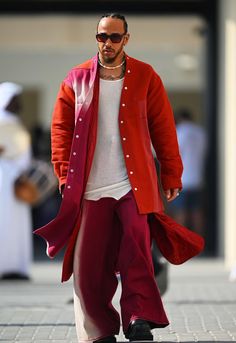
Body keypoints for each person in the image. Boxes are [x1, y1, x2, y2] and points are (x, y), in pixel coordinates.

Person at [35, 14, 204, 342]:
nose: (107, 43)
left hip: (133, 184)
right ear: (96, 38)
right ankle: (101, 328)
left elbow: (163, 128)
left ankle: (139, 318)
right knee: (91, 265)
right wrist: (62, 173)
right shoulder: (76, 78)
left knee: (137, 253)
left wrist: (171, 172)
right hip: (89, 187)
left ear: (126, 38)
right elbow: (61, 129)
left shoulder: (146, 76)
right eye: (101, 37)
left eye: (114, 37)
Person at [0, 82, 32, 280]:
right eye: (14, 99)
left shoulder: (16, 122)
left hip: (17, 180)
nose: (17, 103)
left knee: (17, 224)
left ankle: (16, 268)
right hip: (1, 180)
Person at [170, 109, 207, 236]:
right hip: (198, 179)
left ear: (179, 118)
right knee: (197, 212)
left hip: (182, 179)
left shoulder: (179, 132)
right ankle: (200, 241)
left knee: (180, 212)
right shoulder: (201, 133)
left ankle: (181, 242)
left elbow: (173, 154)